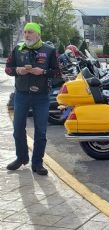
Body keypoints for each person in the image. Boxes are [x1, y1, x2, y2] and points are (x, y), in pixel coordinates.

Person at [4, 22, 61, 175]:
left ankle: (37, 163)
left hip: (41, 96)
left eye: (30, 32)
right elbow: (8, 69)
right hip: (21, 95)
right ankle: (21, 158)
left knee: (41, 132)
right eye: (25, 32)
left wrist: (42, 72)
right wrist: (18, 70)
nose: (27, 35)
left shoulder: (49, 50)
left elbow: (57, 73)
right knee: (17, 130)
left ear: (38, 34)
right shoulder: (18, 49)